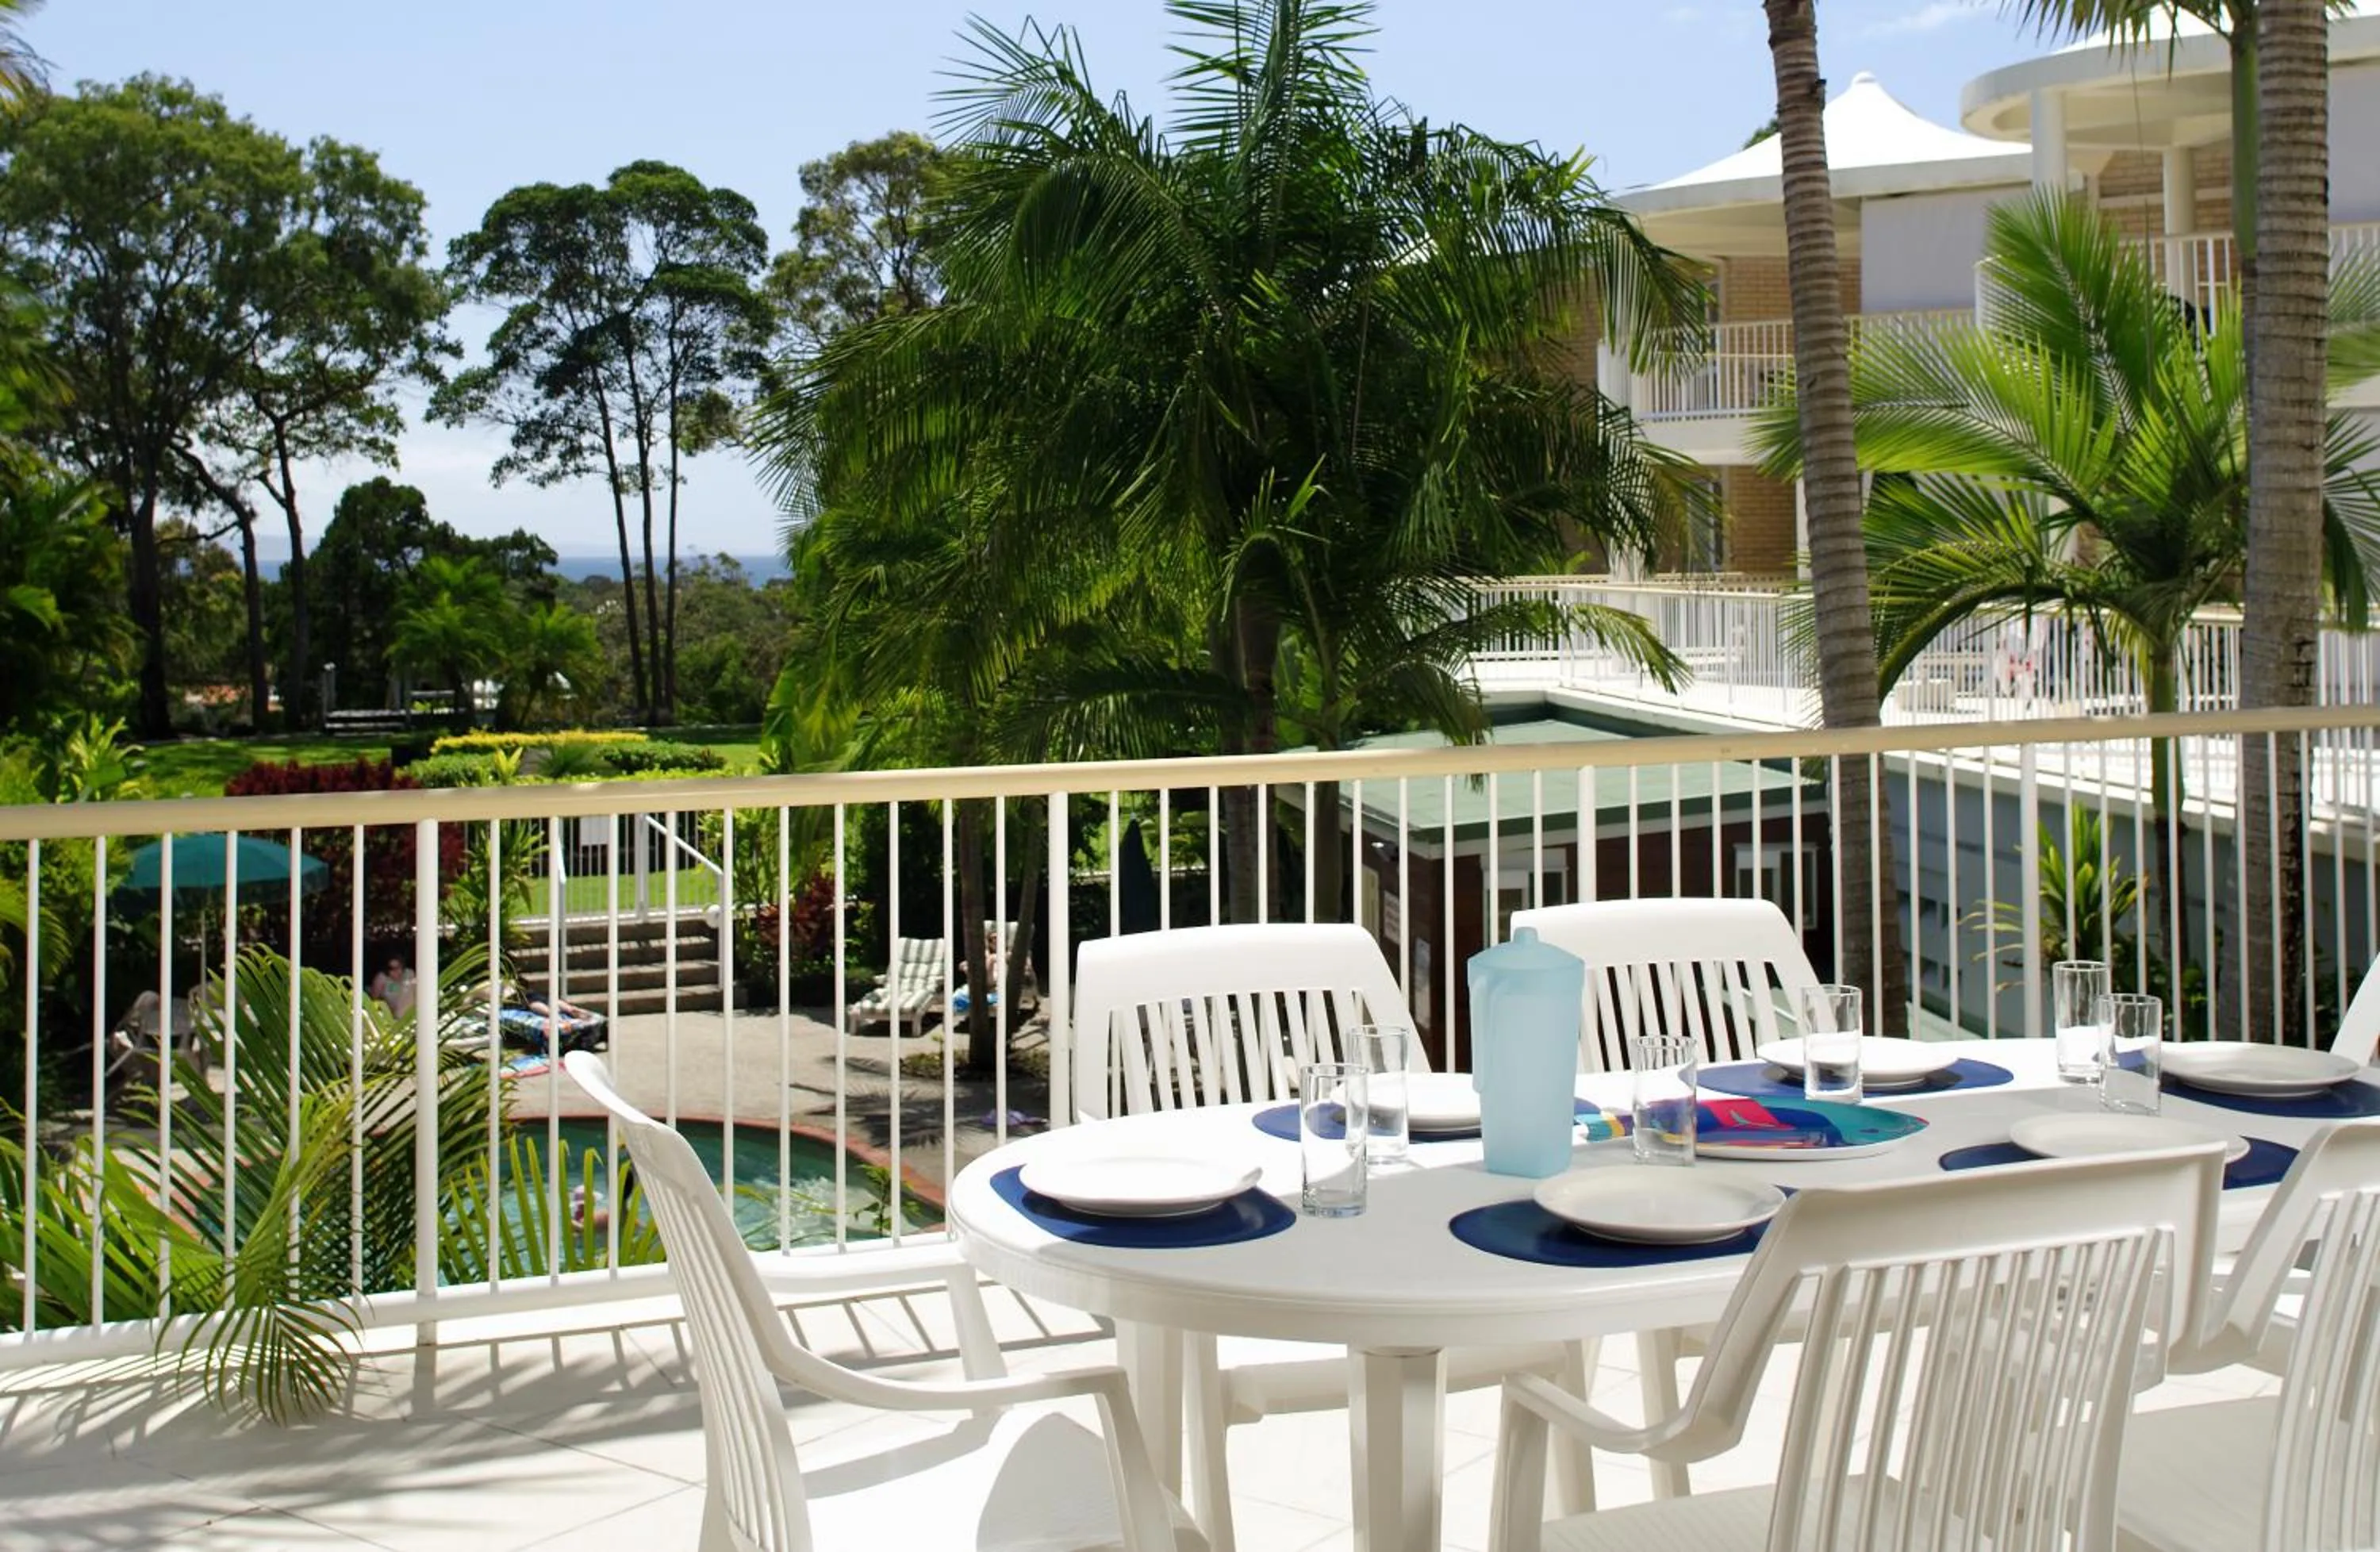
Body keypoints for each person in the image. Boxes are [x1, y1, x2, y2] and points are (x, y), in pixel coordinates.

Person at [370, 955, 416, 1020]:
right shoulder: (382, 979)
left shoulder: (409, 974)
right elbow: (374, 1000)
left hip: (410, 1013)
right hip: (392, 1016)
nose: (397, 971)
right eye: (392, 969)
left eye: (399, 967)